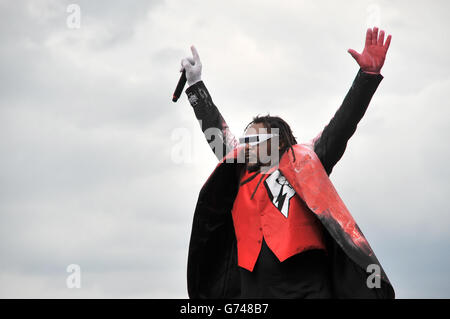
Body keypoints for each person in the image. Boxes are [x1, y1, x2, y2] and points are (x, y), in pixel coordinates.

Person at [180, 27, 394, 298]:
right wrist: (195, 84)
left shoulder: (304, 161)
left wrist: (367, 76)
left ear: (278, 141)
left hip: (306, 289)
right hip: (253, 292)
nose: (247, 145)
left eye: (255, 139)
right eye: (246, 140)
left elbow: (343, 124)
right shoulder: (239, 170)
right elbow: (215, 129)